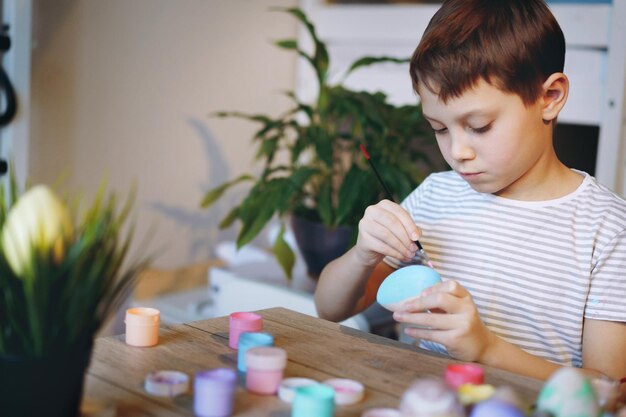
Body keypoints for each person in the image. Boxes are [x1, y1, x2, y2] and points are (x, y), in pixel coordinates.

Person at [314, 0, 626, 384]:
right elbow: (328, 308)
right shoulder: (434, 197)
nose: (457, 152)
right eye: (439, 129)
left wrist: (485, 349)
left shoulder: (608, 230)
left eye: (478, 126)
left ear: (550, 97)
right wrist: (362, 255)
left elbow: (609, 390)